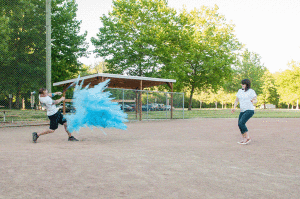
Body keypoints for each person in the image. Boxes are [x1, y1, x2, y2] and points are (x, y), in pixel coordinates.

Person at [231, 79, 257, 145]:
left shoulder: (251, 91)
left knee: (241, 123)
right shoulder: (240, 91)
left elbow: (255, 100)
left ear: (247, 85)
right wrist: (234, 107)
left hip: (249, 110)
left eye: (244, 84)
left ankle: (247, 138)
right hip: (242, 110)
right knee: (239, 124)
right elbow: (236, 100)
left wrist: (253, 101)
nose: (242, 85)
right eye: (242, 84)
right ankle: (244, 139)